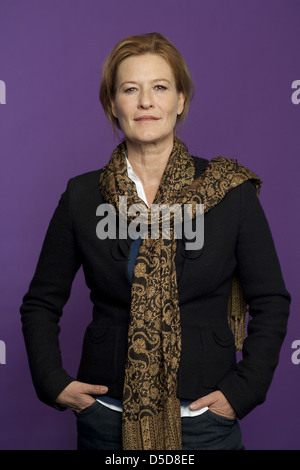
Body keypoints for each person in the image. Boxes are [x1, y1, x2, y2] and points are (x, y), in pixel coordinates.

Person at [20, 32, 291, 451]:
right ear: (113, 104)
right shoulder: (82, 195)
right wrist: (53, 384)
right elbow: (41, 301)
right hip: (106, 420)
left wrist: (243, 393)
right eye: (131, 89)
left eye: (160, 87)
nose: (146, 102)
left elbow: (271, 300)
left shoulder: (229, 191)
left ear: (180, 100)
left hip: (205, 422)